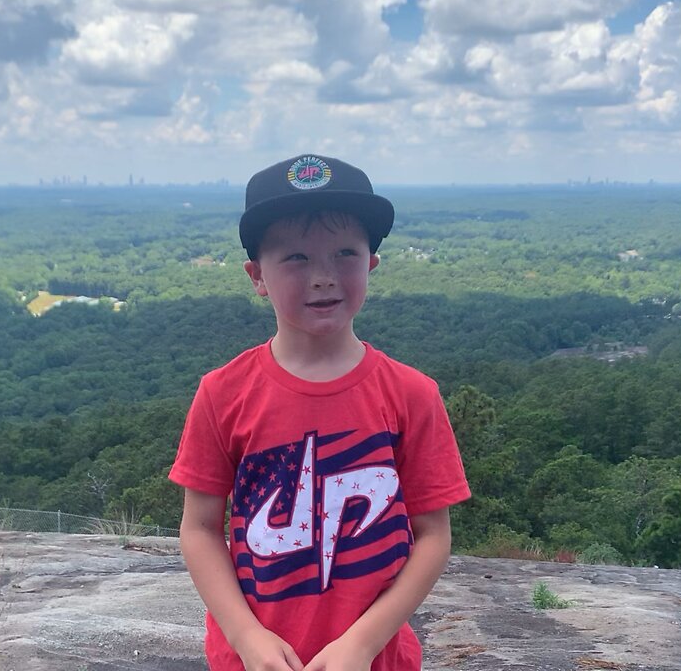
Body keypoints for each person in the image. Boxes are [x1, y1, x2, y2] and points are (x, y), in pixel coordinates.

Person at [169, 154, 471, 671]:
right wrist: (246, 637)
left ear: (371, 265)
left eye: (345, 254)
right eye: (297, 258)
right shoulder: (223, 393)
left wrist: (362, 643)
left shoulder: (411, 394)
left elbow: (433, 535)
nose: (324, 276)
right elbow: (199, 529)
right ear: (256, 275)